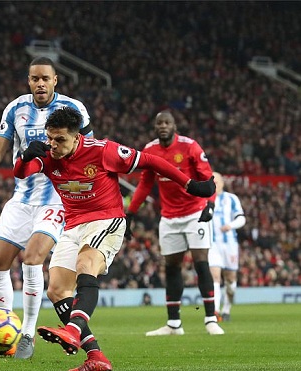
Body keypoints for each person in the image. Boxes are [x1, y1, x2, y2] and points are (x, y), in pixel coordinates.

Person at [14, 106, 216, 371]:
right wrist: (24, 156)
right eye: (50, 138)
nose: (53, 145)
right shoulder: (49, 154)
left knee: (86, 266)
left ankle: (74, 329)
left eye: (60, 139)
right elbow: (21, 173)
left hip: (106, 219)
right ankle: (96, 357)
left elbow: (150, 162)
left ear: (77, 138)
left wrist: (189, 185)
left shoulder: (102, 150)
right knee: (56, 290)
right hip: (72, 224)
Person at [0, 56, 93, 359]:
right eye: (34, 78)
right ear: (29, 81)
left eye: (45, 79)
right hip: (22, 198)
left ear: (55, 81)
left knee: (33, 257)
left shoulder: (73, 109)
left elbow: (88, 151)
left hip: (56, 197)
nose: (39, 83)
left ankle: (27, 333)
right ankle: (3, 337)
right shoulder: (15, 109)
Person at [126, 110, 224, 336]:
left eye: (167, 122)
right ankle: (173, 324)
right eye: (159, 122)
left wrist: (210, 204)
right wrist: (130, 212)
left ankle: (210, 319)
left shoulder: (189, 147)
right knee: (171, 267)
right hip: (169, 217)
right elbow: (144, 185)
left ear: (174, 126)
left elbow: (207, 177)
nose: (163, 126)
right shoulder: (150, 150)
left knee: (201, 262)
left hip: (195, 213)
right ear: (155, 126)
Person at [208, 172, 245, 322]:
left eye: (216, 181)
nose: (214, 184)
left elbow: (241, 218)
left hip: (229, 244)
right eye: (211, 181)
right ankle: (215, 312)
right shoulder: (203, 199)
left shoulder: (231, 199)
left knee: (230, 281)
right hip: (212, 244)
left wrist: (230, 225)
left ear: (223, 183)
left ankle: (227, 308)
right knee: (215, 277)